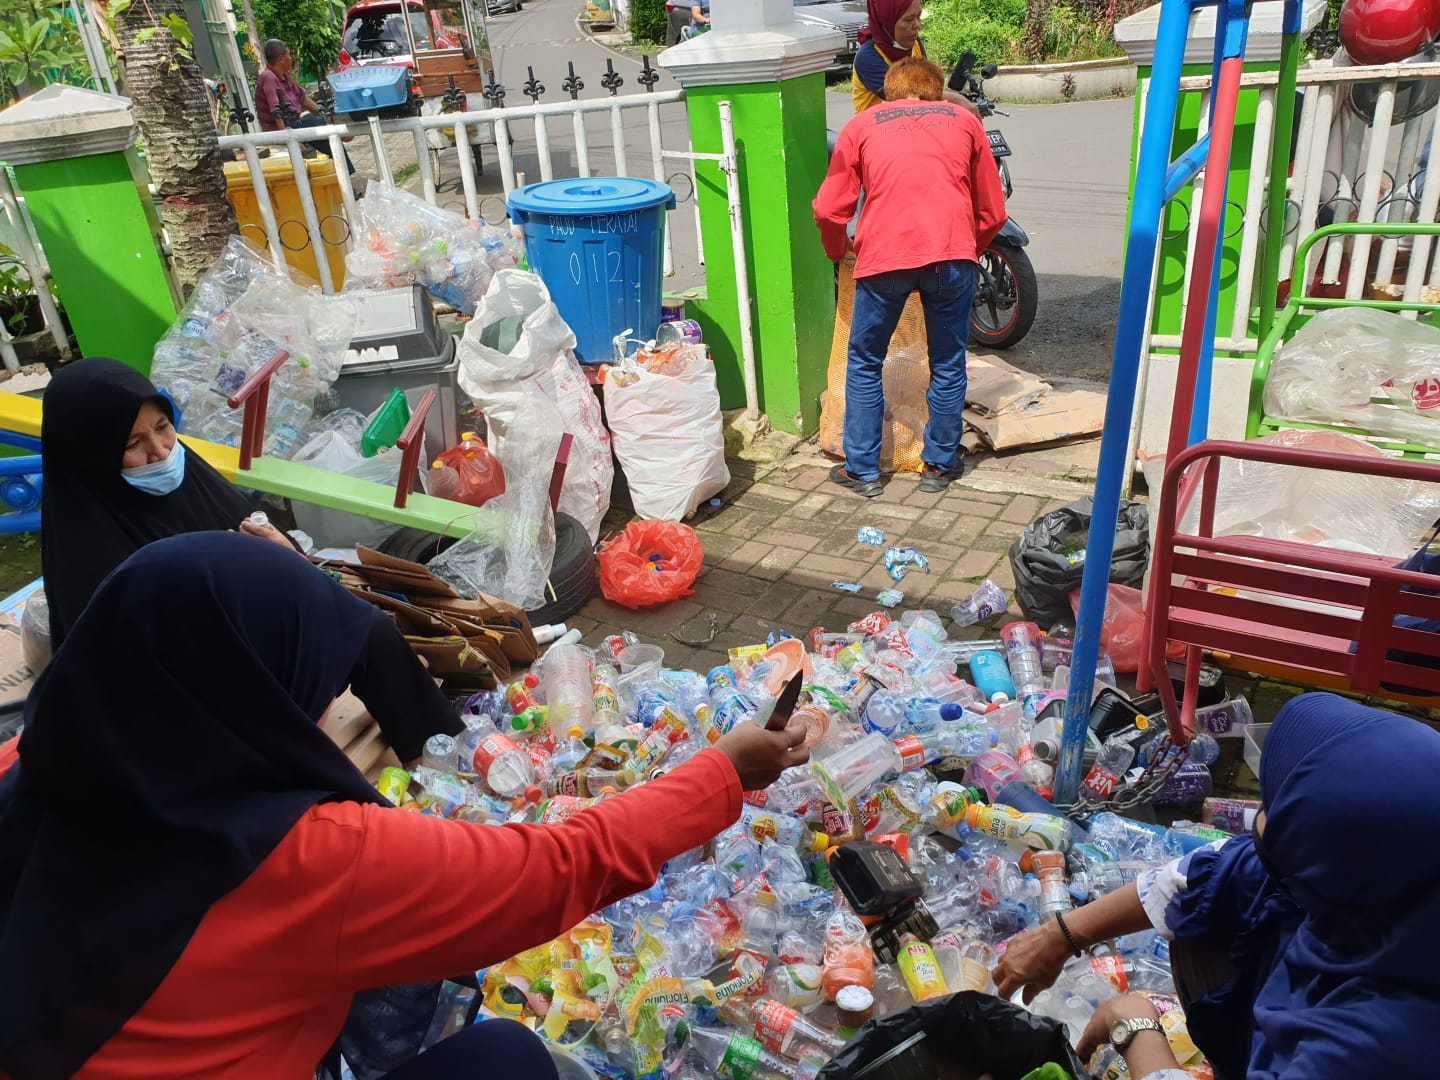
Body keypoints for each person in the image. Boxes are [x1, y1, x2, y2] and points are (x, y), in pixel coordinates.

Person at [0, 532, 810, 1077]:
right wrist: (724, 772)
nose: (323, 711)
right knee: (508, 1060)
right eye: (310, 685)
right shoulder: (295, 855)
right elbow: (560, 868)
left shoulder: (39, 761)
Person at [993, 692, 1440, 1079]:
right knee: (1217, 905)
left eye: (1276, 806)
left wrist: (1135, 1029)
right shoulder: (1397, 877)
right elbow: (1201, 875)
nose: (1259, 815)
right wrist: (1061, 935)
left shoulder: (1369, 1047)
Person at [37, 359, 461, 762]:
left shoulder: (191, 481)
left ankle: (440, 759)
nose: (162, 452)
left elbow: (273, 566)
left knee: (366, 629)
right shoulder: (90, 550)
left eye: (164, 428)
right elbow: (134, 675)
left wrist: (283, 555)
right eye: (133, 445)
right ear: (92, 457)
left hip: (251, 651)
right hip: (188, 702)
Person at [813, 57, 1006, 497]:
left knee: (865, 360)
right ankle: (938, 466)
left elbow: (828, 208)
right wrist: (966, 249)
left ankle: (862, 471)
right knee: (948, 360)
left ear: (890, 92)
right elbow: (993, 212)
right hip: (952, 259)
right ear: (935, 91)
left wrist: (834, 249)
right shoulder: (964, 121)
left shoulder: (861, 125)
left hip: (885, 259)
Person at [851, 0, 978, 115]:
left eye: (919, 17)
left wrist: (961, 98)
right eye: (909, 19)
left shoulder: (915, 44)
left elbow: (928, 86)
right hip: (876, 134)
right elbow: (908, 96)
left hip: (912, 126)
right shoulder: (868, 58)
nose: (917, 25)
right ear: (887, 20)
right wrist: (956, 99)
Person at [256, 39, 354, 174]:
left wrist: (325, 114)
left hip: (295, 123)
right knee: (318, 127)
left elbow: (303, 99)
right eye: (289, 55)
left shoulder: (285, 77)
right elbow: (276, 111)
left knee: (326, 132)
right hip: (281, 128)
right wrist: (289, 139)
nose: (291, 59)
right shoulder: (268, 78)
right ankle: (340, 139)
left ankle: (338, 137)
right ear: (281, 59)